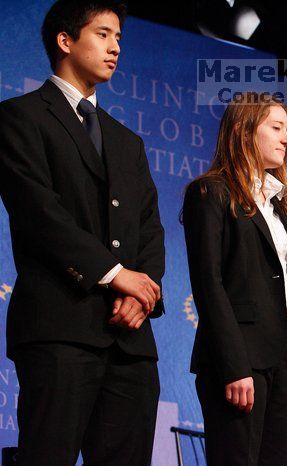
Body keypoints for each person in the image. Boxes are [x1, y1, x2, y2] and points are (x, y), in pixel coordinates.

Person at [0, 1, 165, 465]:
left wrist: (142, 292)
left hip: (130, 341)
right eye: (103, 34)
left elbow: (150, 226)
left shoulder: (126, 141)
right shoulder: (20, 117)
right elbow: (39, 214)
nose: (115, 48)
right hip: (60, 329)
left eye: (119, 39)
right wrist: (115, 275)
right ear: (65, 40)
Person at [182, 92, 287, 466]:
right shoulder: (210, 193)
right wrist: (234, 365)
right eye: (276, 128)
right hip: (239, 359)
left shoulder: (280, 208)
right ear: (245, 132)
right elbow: (209, 284)